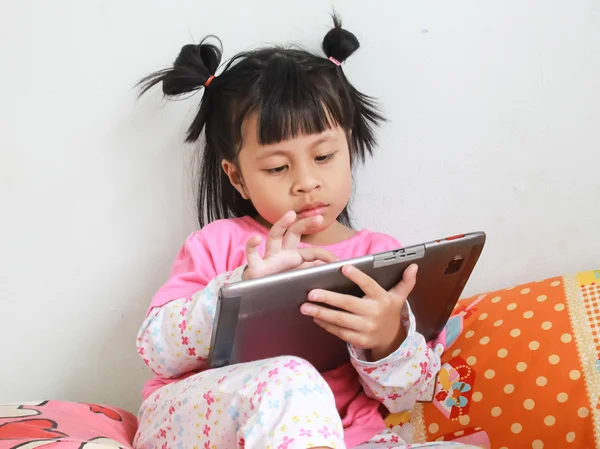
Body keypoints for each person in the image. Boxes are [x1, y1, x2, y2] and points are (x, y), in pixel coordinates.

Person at [134, 15, 471, 449]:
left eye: (325, 156)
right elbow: (155, 351)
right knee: (292, 379)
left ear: (348, 148)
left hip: (342, 437)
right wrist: (240, 286)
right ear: (237, 178)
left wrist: (387, 339)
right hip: (201, 422)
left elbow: (409, 396)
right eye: (278, 167)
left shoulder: (381, 257)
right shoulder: (221, 243)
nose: (307, 182)